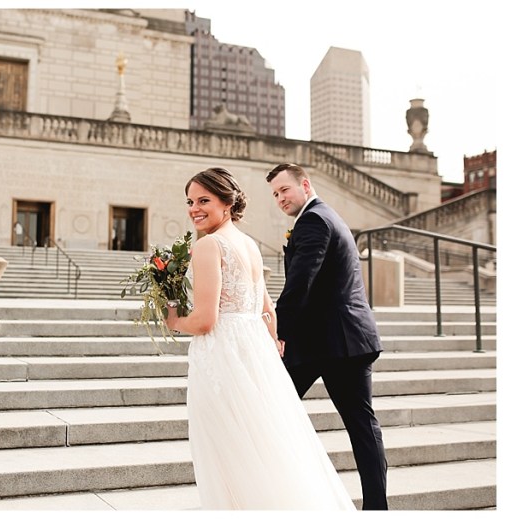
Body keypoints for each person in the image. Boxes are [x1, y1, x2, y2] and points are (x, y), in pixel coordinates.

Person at [165, 166, 355, 510]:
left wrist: (174, 319)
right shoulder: (249, 245)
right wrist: (272, 345)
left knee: (227, 449)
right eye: (190, 201)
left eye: (204, 200)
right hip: (253, 350)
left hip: (222, 354)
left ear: (227, 202)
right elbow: (268, 310)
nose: (194, 208)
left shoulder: (209, 246)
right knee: (263, 445)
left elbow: (206, 321)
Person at [266, 163, 388, 510]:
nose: (280, 198)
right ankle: (375, 508)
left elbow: (300, 282)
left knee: (271, 409)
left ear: (305, 184)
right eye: (275, 194)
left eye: (285, 190)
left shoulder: (314, 220)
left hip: (334, 343)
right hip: (337, 340)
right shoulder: (326, 215)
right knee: (362, 427)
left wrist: (277, 332)